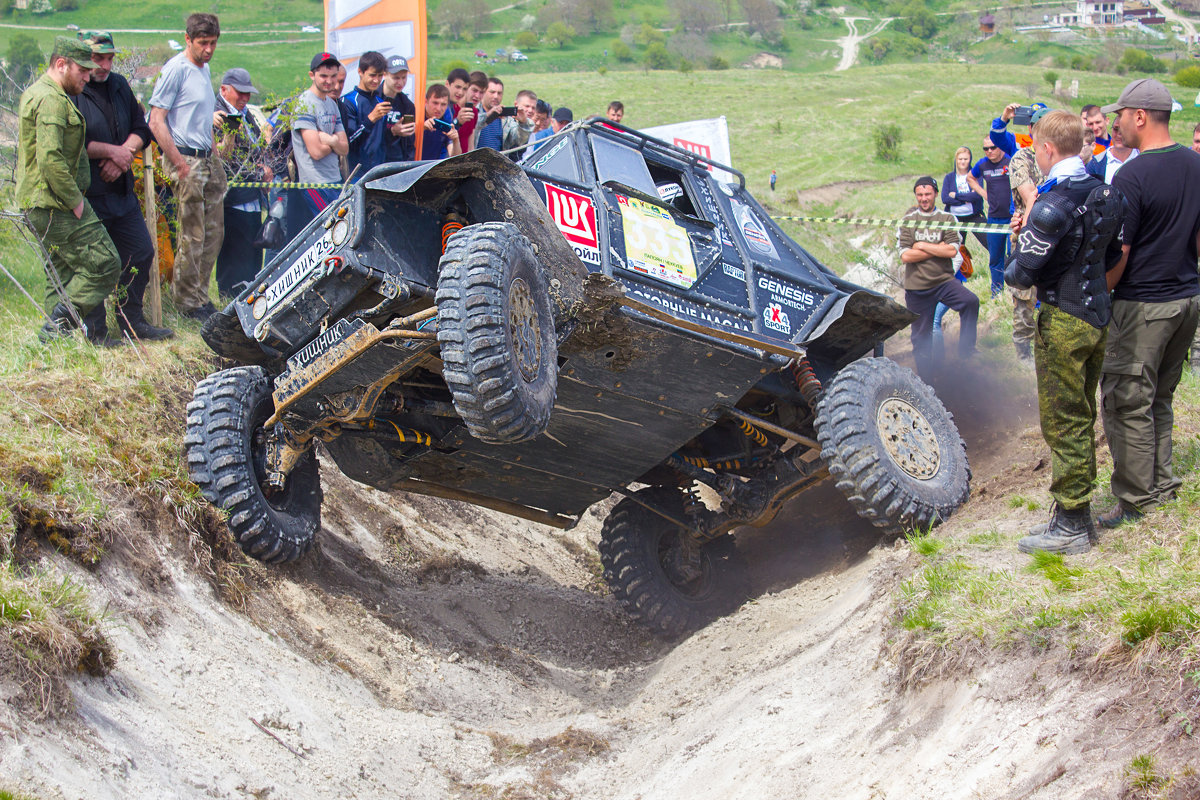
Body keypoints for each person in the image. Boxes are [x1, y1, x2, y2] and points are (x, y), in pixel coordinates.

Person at [1005, 110, 1124, 554]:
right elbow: (1111, 254)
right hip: (1098, 317)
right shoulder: (1106, 193)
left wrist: (1024, 234)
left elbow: (1019, 276)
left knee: (1064, 419)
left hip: (1064, 320)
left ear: (1047, 149)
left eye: (1037, 147)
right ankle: (1077, 515)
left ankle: (1072, 521)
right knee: (1083, 411)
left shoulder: (1051, 204)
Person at [1098, 78, 1200, 527]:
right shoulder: (1196, 165)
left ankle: (1138, 499)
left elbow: (1121, 251)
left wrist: (1101, 290)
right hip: (1187, 299)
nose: (1115, 122)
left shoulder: (1132, 174)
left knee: (1125, 399)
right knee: (1160, 395)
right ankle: (1161, 481)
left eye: (1120, 114)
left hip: (1144, 306)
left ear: (1140, 116)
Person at [17, 37, 121, 343]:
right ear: (61, 64)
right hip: (56, 203)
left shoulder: (40, 92)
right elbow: (50, 160)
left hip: (40, 203)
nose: (88, 77)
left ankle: (54, 350)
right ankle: (54, 330)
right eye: (83, 71)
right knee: (106, 263)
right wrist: (75, 201)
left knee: (60, 276)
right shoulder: (51, 100)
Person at [74, 30, 173, 342]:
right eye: (97, 58)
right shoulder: (73, 89)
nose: (104, 64)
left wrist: (124, 153)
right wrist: (112, 152)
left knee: (141, 252)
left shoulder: (119, 85)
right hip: (89, 192)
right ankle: (96, 331)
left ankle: (132, 321)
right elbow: (74, 141)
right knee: (98, 262)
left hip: (122, 190)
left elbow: (142, 128)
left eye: (109, 57)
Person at [148, 12, 225, 322]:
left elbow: (203, 117)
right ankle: (185, 301)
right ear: (188, 40)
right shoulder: (176, 70)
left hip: (207, 154)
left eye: (213, 43)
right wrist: (178, 163)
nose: (208, 50)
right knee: (191, 233)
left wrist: (215, 154)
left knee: (213, 232)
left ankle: (200, 295)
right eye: (202, 43)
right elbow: (156, 119)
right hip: (184, 156)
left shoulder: (203, 70)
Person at [897, 176, 978, 380]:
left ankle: (965, 352)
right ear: (916, 196)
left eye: (928, 194)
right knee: (920, 338)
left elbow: (952, 250)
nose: (924, 198)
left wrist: (922, 245)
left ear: (935, 194)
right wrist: (937, 249)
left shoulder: (947, 219)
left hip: (943, 281)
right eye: (920, 195)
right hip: (917, 287)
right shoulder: (908, 221)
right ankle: (926, 381)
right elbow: (906, 255)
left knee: (970, 302)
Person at [215, 67, 273, 298]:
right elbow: (220, 157)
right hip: (231, 195)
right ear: (224, 90)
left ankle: (249, 294)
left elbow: (256, 145)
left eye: (247, 93)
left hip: (251, 194)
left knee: (250, 248)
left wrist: (265, 166)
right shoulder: (218, 114)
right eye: (240, 93)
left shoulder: (246, 112)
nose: (244, 98)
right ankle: (229, 296)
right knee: (234, 250)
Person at [1006, 112, 1048, 364]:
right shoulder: (1023, 157)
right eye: (1038, 127)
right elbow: (1030, 194)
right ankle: (1023, 351)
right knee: (1024, 297)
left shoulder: (1060, 157)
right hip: (1026, 233)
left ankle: (1045, 347)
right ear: (1031, 129)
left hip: (1055, 233)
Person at [292, 52, 348, 224]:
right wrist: (334, 143)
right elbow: (315, 151)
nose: (329, 81)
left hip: (334, 178)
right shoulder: (305, 103)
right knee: (332, 227)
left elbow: (345, 148)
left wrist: (329, 140)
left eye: (333, 76)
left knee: (342, 228)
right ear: (312, 75)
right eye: (323, 76)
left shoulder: (331, 103)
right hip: (314, 182)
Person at [971, 136, 1011, 295]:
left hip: (1012, 216)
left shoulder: (1010, 160)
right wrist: (983, 193)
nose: (989, 151)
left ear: (1000, 146)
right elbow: (970, 177)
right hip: (994, 217)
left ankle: (1015, 290)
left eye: (992, 147)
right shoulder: (982, 164)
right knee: (995, 257)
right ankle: (997, 291)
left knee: (1012, 255)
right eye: (985, 148)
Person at [341, 50, 390, 177]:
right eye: (372, 75)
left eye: (380, 76)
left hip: (378, 172)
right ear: (360, 72)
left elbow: (381, 141)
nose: (376, 80)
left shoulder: (380, 101)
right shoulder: (348, 101)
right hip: (354, 174)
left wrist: (394, 131)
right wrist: (370, 119)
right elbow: (348, 141)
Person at [941, 145, 986, 248]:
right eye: (960, 159)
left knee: (992, 244)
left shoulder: (976, 176)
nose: (963, 162)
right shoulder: (949, 178)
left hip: (974, 215)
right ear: (956, 160)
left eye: (966, 159)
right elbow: (945, 198)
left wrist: (956, 195)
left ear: (970, 160)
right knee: (956, 248)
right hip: (955, 217)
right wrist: (965, 199)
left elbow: (976, 196)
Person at [380, 55, 417, 163]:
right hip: (374, 161)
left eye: (404, 77)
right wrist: (392, 131)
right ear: (385, 75)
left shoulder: (407, 105)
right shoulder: (373, 99)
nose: (400, 82)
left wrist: (409, 166)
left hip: (396, 162)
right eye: (396, 78)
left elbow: (410, 142)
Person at [1085, 118, 1137, 184]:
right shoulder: (1096, 163)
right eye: (1116, 129)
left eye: (1124, 130)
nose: (1119, 134)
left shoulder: (1142, 158)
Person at [421, 84, 460, 160]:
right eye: (435, 103)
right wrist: (421, 128)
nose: (439, 108)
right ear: (426, 101)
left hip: (433, 166)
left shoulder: (447, 118)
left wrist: (456, 140)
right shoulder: (417, 114)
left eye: (443, 104)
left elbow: (455, 157)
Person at [444, 68, 475, 154]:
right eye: (457, 87)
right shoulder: (442, 105)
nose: (460, 92)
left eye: (464, 89)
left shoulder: (453, 107)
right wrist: (457, 121)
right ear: (447, 84)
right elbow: (443, 132)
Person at [502, 89, 537, 157]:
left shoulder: (531, 128)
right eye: (527, 106)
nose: (530, 110)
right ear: (516, 104)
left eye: (533, 108)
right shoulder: (507, 123)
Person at [474, 76, 505, 152]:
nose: (496, 96)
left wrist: (523, 123)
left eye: (499, 93)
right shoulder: (474, 112)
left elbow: (518, 141)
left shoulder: (505, 119)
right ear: (483, 92)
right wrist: (488, 114)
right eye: (492, 92)